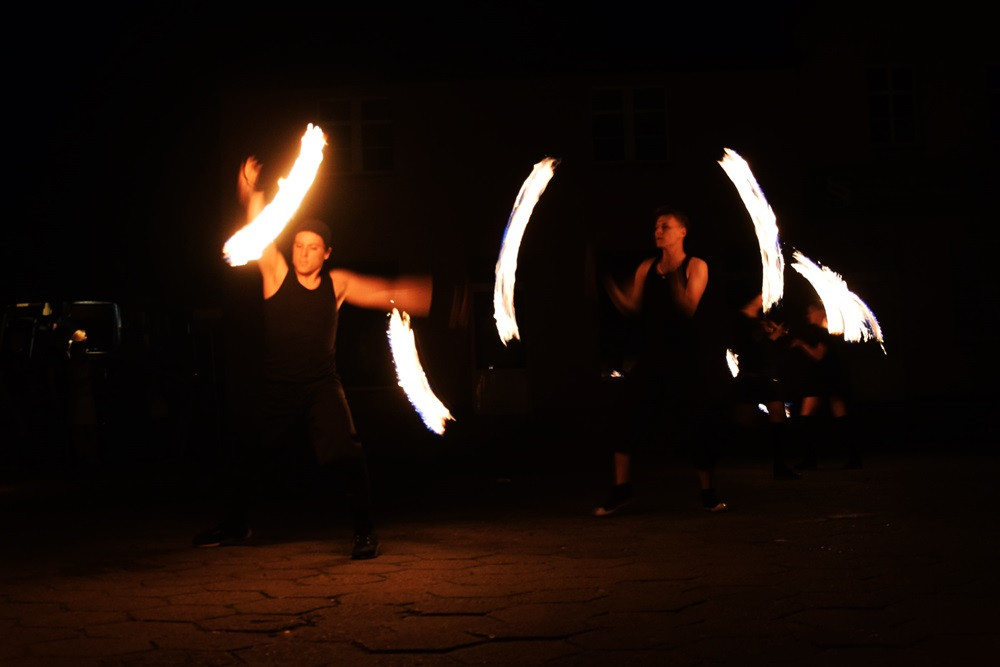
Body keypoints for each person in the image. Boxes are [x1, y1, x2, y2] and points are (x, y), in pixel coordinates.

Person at [193, 157, 433, 559]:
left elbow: (383, 291)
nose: (304, 253)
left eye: (313, 248)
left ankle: (364, 532)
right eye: (299, 246)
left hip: (322, 384)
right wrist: (251, 194)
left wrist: (432, 297)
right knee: (248, 451)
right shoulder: (276, 273)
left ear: (326, 254)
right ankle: (235, 525)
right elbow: (259, 233)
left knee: (348, 451)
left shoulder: (336, 284)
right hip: (278, 386)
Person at [595, 207, 729, 516]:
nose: (658, 231)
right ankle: (621, 488)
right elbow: (632, 306)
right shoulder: (646, 267)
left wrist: (671, 279)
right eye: (656, 226)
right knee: (624, 415)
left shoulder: (696, 266)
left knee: (697, 423)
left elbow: (688, 308)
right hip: (653, 356)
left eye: (665, 226)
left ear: (682, 232)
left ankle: (708, 493)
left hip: (686, 358)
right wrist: (611, 286)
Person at [727, 293, 800, 480]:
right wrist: (770, 335)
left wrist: (775, 334)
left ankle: (780, 466)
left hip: (766, 377)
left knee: (778, 416)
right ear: (753, 297)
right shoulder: (740, 320)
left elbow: (765, 346)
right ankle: (720, 452)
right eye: (762, 294)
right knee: (743, 421)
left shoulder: (760, 319)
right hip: (750, 377)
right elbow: (746, 346)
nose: (766, 298)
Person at [787, 300, 861, 469]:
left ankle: (811, 460)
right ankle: (854, 458)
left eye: (811, 311)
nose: (808, 315)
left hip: (824, 381)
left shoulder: (824, 333)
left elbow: (818, 356)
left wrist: (801, 345)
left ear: (821, 312)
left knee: (809, 418)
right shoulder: (825, 332)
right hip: (828, 380)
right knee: (840, 418)